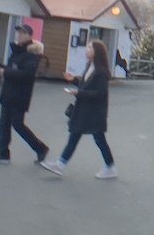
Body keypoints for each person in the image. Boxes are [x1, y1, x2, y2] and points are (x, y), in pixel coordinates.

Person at [40, 39, 117, 179]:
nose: (86, 50)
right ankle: (61, 164)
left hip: (94, 112)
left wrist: (79, 93)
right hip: (85, 110)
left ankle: (110, 167)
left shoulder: (101, 72)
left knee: (98, 139)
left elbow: (99, 93)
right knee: (76, 136)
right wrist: (73, 80)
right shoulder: (90, 67)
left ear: (96, 52)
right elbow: (86, 85)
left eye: (90, 47)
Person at [0, 24, 49, 165]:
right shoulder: (17, 51)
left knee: (18, 125)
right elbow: (13, 68)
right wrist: (0, 67)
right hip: (8, 93)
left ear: (29, 36)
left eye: (22, 33)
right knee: (4, 123)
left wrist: (6, 72)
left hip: (19, 96)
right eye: (18, 33)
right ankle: (3, 153)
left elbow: (27, 75)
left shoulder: (32, 54)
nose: (18, 35)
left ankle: (40, 148)